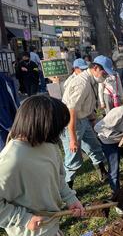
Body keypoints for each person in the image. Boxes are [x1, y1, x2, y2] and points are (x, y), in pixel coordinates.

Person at [0, 95, 84, 235]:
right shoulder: (11, 161)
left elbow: (58, 177)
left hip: (52, 227)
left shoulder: (49, 144)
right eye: (58, 128)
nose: (61, 133)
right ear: (43, 125)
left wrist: (70, 198)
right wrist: (24, 219)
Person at [61, 55, 109, 189]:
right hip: (71, 122)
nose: (105, 76)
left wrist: (92, 119)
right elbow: (71, 111)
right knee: (73, 158)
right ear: (95, 68)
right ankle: (67, 189)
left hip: (83, 120)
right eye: (104, 73)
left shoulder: (91, 81)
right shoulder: (81, 83)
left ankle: (102, 172)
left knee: (94, 146)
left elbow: (87, 104)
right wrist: (72, 138)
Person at [0, 73, 20, 151]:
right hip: (5, 126)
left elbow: (14, 100)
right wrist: (9, 126)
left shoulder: (5, 78)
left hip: (12, 121)